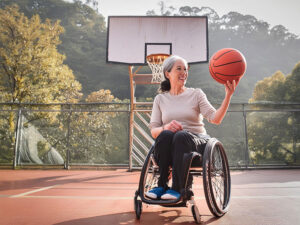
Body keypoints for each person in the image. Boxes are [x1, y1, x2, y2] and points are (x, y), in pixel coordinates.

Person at [145, 55, 236, 200]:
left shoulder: (196, 94)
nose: (184, 72)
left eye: (185, 69)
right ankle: (161, 185)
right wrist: (165, 127)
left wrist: (228, 96)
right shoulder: (160, 99)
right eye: (179, 69)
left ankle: (177, 188)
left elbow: (216, 118)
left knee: (181, 135)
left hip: (196, 143)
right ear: (167, 73)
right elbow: (154, 131)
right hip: (171, 148)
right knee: (165, 135)